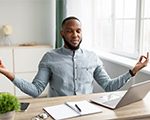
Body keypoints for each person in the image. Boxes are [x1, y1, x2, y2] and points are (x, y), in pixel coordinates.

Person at [0, 16, 149, 97]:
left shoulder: (92, 57)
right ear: (62, 33)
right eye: (70, 31)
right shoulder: (50, 57)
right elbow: (35, 90)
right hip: (57, 109)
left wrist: (133, 71)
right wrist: (8, 74)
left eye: (78, 31)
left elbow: (109, 86)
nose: (75, 35)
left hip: (87, 109)